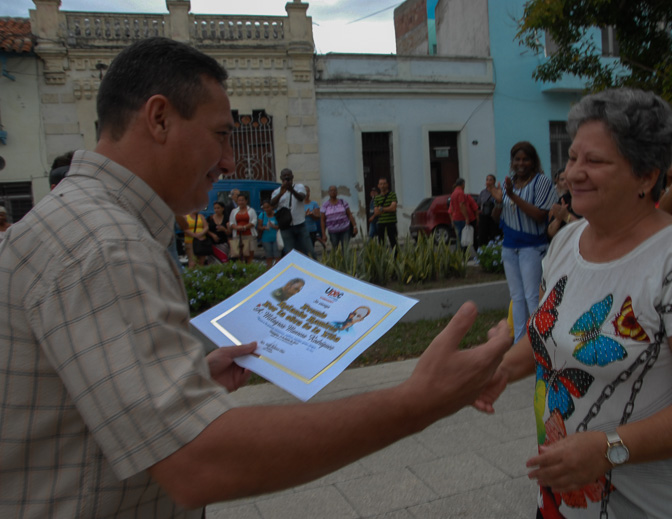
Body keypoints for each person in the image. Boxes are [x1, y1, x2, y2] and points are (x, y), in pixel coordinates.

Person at [0, 37, 513, 518]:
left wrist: (183, 380)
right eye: (221, 135)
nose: (229, 160)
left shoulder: (79, 222)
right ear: (159, 118)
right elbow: (196, 461)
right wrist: (415, 402)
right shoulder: (107, 246)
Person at [475, 88, 672, 518]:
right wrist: (502, 369)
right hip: (561, 498)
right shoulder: (566, 241)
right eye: (572, 157)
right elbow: (548, 333)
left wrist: (609, 449)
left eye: (595, 161)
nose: (574, 173)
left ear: (646, 176)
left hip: (651, 507)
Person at [491, 141, 557, 340]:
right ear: (512, 162)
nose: (521, 163)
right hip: (510, 248)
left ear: (533, 161)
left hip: (532, 247)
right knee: (517, 298)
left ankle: (539, 341)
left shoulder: (541, 182)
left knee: (532, 297)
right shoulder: (508, 183)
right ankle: (520, 342)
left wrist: (513, 196)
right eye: (517, 159)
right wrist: (499, 202)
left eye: (525, 159)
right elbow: (497, 219)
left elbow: (540, 215)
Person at [271, 168, 315, 258]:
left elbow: (301, 198)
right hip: (286, 227)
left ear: (292, 177)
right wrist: (281, 193)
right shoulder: (276, 191)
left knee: (310, 251)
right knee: (290, 253)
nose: (287, 178)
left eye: (288, 176)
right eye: (284, 176)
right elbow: (272, 204)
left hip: (300, 224)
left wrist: (291, 190)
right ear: (281, 178)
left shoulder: (299, 187)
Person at [320, 185, 358, 251]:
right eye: (331, 190)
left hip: (345, 229)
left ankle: (345, 258)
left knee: (345, 249)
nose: (333, 192)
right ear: (328, 192)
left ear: (337, 192)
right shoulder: (325, 205)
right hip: (333, 231)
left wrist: (354, 226)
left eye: (334, 190)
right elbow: (323, 220)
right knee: (335, 249)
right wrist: (323, 234)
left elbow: (349, 214)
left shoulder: (343, 202)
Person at [547, 168, 580, 239]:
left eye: (568, 179)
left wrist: (566, 216)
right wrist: (558, 219)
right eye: (562, 179)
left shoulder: (588, 199)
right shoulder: (564, 199)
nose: (566, 182)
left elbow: (585, 230)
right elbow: (550, 233)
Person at [449, 178, 478, 249]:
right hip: (461, 218)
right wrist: (467, 218)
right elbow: (462, 205)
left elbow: (451, 208)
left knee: (459, 237)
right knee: (463, 238)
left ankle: (459, 252)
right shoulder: (460, 192)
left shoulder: (453, 193)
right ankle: (462, 252)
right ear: (463, 184)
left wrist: (452, 219)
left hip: (456, 218)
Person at [229, 193, 258, 263]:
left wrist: (244, 227)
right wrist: (236, 227)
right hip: (238, 235)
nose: (241, 202)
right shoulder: (234, 211)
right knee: (239, 254)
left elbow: (254, 221)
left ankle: (249, 267)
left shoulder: (251, 210)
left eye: (242, 200)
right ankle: (242, 267)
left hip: (249, 234)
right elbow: (231, 222)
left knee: (250, 254)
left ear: (246, 201)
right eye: (239, 200)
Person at [373, 177, 398, 248]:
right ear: (378, 186)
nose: (382, 186)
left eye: (384, 184)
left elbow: (393, 208)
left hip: (391, 222)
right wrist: (388, 208)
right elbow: (376, 212)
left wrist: (381, 209)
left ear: (387, 184)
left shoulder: (392, 195)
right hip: (381, 223)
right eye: (381, 184)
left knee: (394, 243)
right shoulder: (377, 198)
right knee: (381, 244)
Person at [478, 174, 501, 246]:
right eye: (487, 179)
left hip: (494, 217)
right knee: (482, 236)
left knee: (494, 236)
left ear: (494, 181)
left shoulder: (497, 191)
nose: (488, 181)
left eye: (490, 180)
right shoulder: (483, 192)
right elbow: (479, 203)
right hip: (484, 216)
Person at [258, 201, 281, 268]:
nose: (266, 209)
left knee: (277, 256)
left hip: (276, 238)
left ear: (271, 207)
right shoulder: (262, 215)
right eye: (264, 208)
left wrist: (274, 226)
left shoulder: (277, 214)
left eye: (268, 207)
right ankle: (269, 269)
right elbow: (259, 227)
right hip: (266, 239)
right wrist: (264, 228)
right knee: (268, 256)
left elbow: (281, 226)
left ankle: (278, 270)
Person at [303, 185, 322, 259]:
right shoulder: (299, 204)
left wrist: (311, 215)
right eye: (304, 191)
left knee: (310, 250)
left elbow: (317, 217)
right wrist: (304, 214)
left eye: (308, 191)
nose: (306, 193)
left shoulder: (314, 204)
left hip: (312, 231)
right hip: (302, 231)